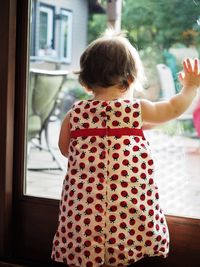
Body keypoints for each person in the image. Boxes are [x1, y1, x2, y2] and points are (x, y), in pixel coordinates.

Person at [51, 31, 200, 267]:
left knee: (84, 241)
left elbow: (64, 149)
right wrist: (190, 87)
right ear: (130, 80)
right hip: (129, 220)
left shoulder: (74, 114)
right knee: (135, 245)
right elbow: (172, 109)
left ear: (86, 82)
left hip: (84, 219)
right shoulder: (136, 110)